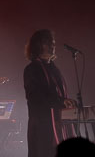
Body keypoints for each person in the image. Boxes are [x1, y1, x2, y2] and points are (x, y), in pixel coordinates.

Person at [23, 29, 76, 157]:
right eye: (48, 43)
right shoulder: (32, 69)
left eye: (53, 43)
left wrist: (68, 102)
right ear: (38, 45)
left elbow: (60, 94)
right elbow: (35, 97)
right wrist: (60, 101)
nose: (52, 46)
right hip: (42, 126)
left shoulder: (54, 68)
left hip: (59, 123)